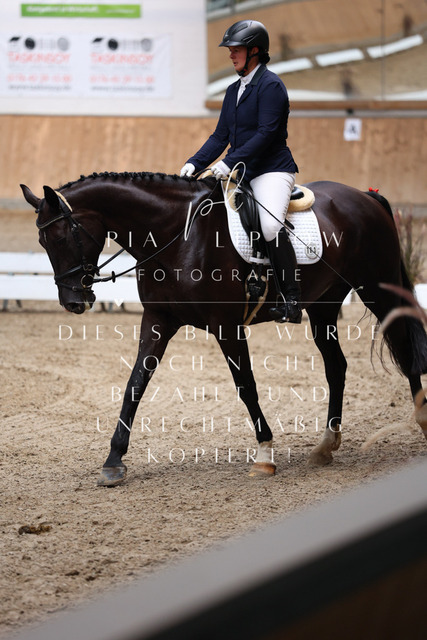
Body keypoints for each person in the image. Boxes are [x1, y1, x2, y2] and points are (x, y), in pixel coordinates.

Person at [180, 19, 301, 323]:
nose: (231, 54)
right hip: (242, 171)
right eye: (230, 49)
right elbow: (220, 136)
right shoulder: (234, 89)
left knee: (270, 226)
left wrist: (228, 162)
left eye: (236, 49)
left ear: (255, 51)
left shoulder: (271, 86)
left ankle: (291, 299)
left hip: (271, 170)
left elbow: (266, 134)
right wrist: (194, 163)